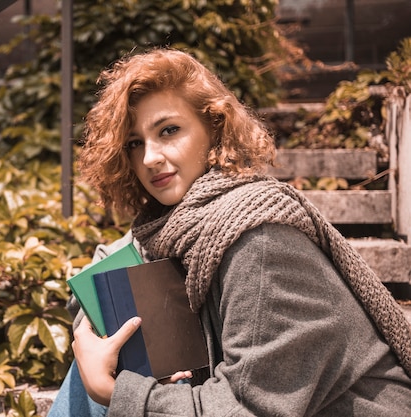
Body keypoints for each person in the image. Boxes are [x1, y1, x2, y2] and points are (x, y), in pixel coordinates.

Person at [48, 48, 411, 417]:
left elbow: (247, 408)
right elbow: (108, 267)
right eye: (134, 143)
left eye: (168, 130)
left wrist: (114, 390)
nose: (149, 158)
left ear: (214, 127)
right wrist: (91, 336)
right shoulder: (170, 226)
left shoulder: (259, 237)